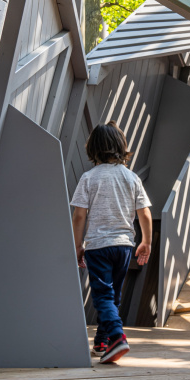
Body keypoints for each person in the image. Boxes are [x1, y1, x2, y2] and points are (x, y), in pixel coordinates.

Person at [71, 122, 153, 364]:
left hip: (98, 246)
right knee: (113, 296)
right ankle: (102, 342)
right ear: (121, 147)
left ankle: (117, 337)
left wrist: (77, 245)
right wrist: (146, 242)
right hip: (125, 246)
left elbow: (79, 215)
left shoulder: (88, 178)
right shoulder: (132, 178)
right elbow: (145, 213)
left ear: (93, 149)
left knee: (102, 297)